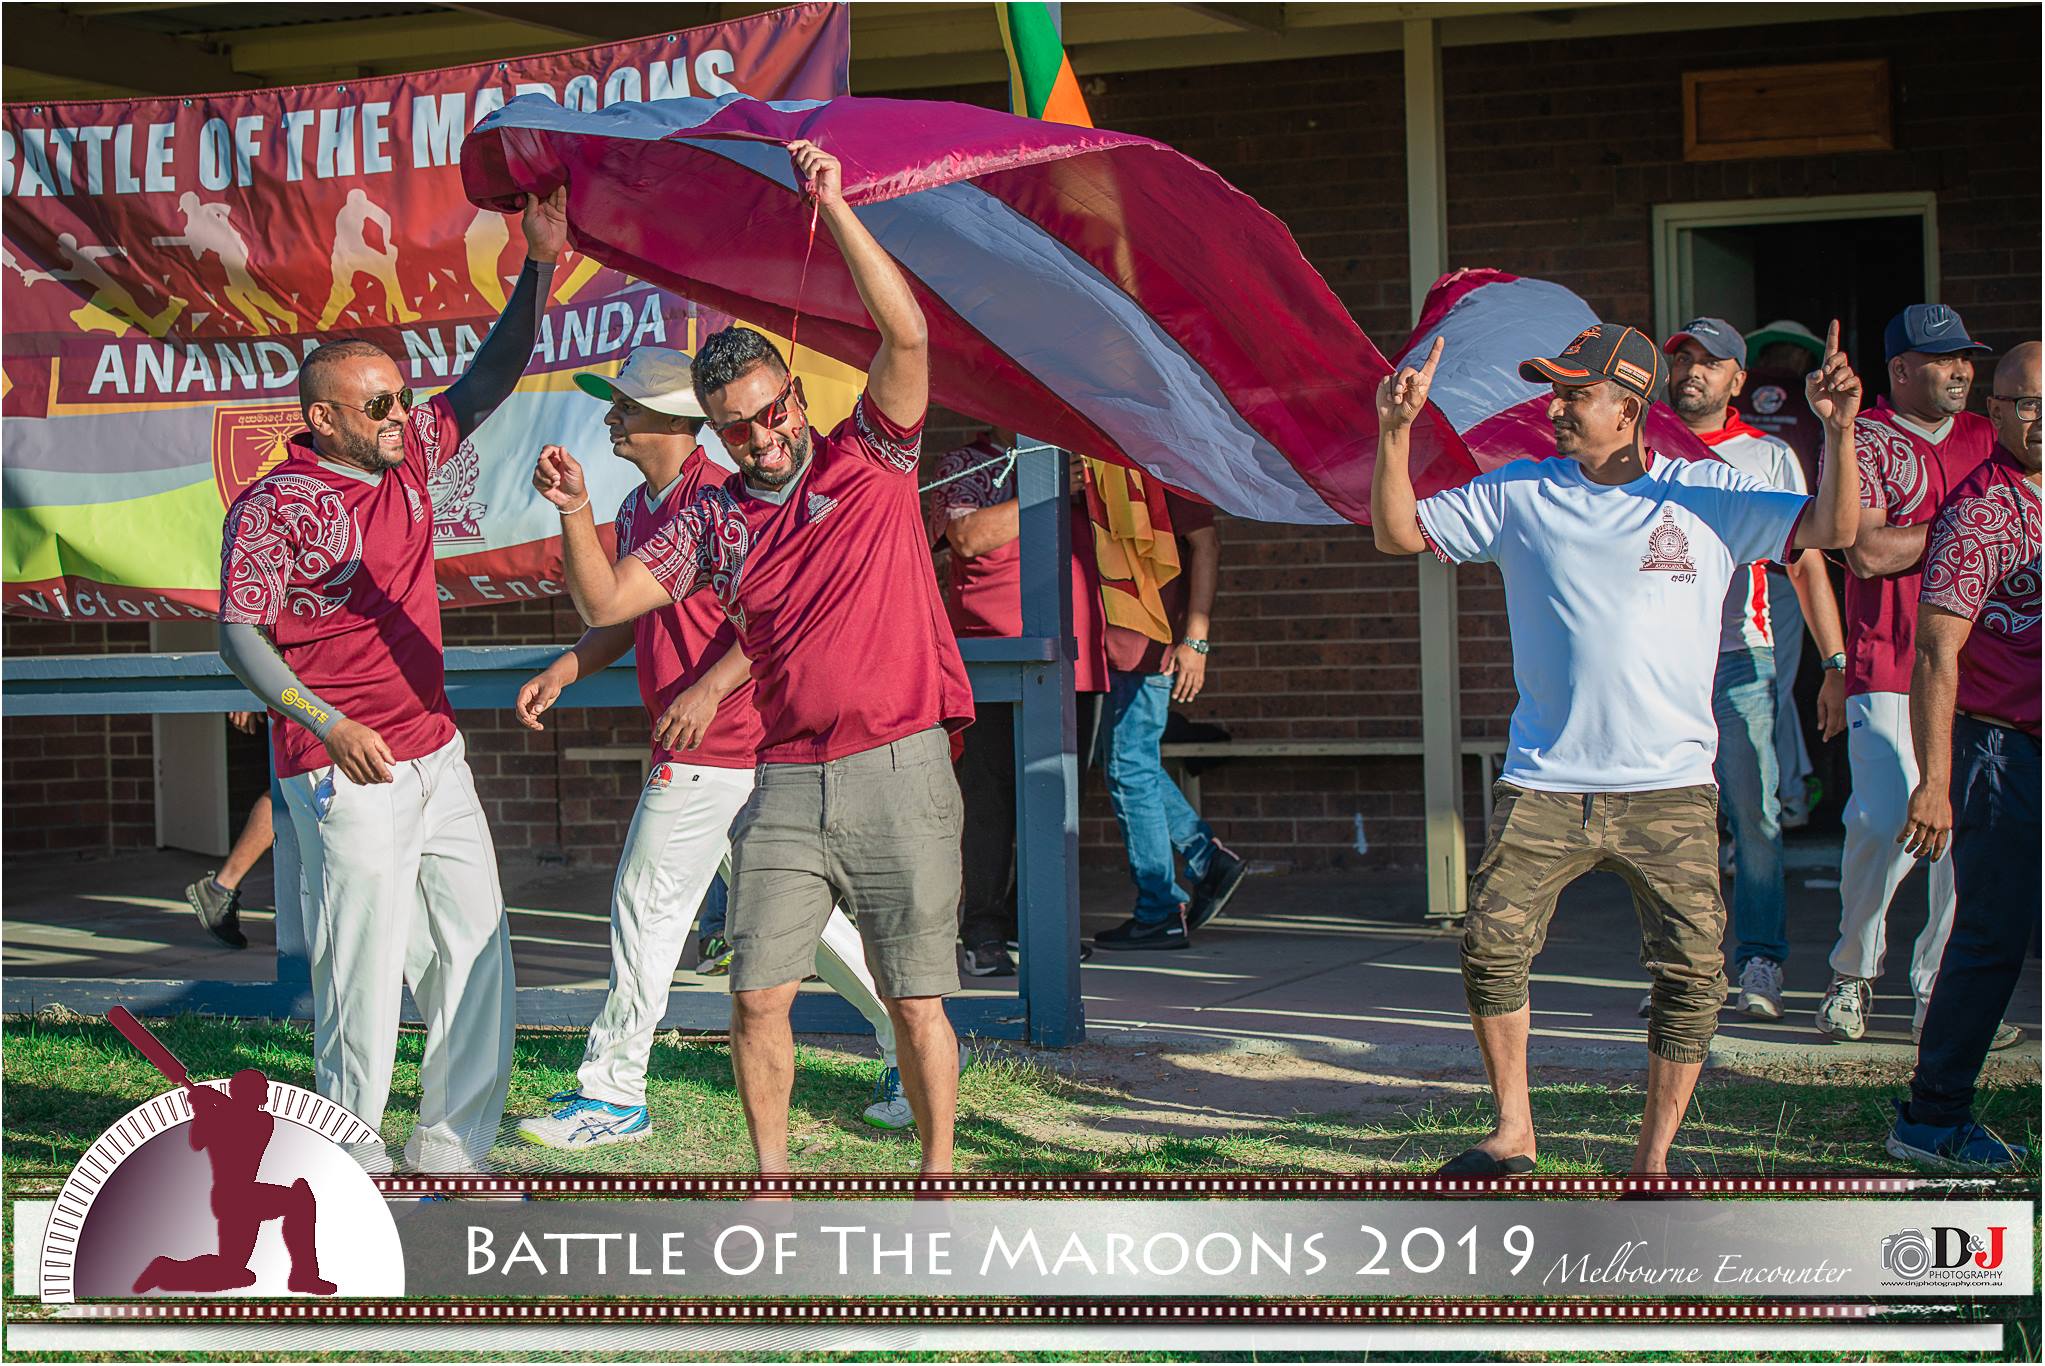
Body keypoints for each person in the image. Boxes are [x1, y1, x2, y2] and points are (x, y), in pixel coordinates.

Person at [538, 142, 968, 1183]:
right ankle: (771, 1183)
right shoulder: (712, 519)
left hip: (900, 762)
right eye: (738, 429)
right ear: (716, 436)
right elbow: (604, 602)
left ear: (798, 404)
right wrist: (578, 512)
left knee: (914, 994)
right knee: (756, 992)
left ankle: (942, 1174)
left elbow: (905, 332)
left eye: (773, 414)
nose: (762, 438)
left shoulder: (873, 459)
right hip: (782, 776)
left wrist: (838, 200)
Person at [1372, 320, 1861, 1175]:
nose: (1555, 406)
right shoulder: (1517, 492)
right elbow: (1398, 533)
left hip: (1670, 785)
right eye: (1553, 390)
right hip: (1545, 782)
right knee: (1490, 945)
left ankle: (1651, 1158)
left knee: (1691, 975)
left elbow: (1830, 529)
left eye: (1574, 392)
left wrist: (1839, 430)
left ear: (1628, 407)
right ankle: (1512, 1133)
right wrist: (1393, 432)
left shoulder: (1705, 494)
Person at [215, 187, 567, 1173]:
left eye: (403, 397)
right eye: (379, 404)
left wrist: (537, 262)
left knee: (475, 954)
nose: (401, 415)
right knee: (359, 980)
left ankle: (451, 1151)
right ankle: (347, 1168)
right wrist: (324, 723)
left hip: (433, 753)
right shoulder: (275, 503)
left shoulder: (410, 454)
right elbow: (238, 636)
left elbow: (491, 375)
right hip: (340, 771)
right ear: (323, 416)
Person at [510, 346, 920, 1143]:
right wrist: (566, 665)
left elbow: (785, 615)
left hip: (726, 743)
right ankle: (910, 1043)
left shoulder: (724, 495)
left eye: (624, 409)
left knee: (645, 908)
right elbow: (619, 616)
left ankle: (611, 1092)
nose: (611, 420)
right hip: (715, 750)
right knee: (823, 934)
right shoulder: (637, 510)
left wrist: (708, 687)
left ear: (675, 422)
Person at [1817, 305, 2016, 1049]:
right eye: (1942, 359)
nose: (1961, 369)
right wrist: (1970, 526)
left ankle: (1938, 993)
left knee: (1964, 835)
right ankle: (1851, 971)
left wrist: (1929, 533)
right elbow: (1864, 552)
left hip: (1981, 669)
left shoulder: (1989, 437)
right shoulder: (1860, 437)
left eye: (1966, 356)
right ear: (1899, 370)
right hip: (1887, 662)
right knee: (1884, 820)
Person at [1661, 318, 1849, 1019]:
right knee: (1667, 822)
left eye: (1709, 363)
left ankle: (1760, 961)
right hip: (1658, 663)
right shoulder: (1639, 450)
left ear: (1738, 380)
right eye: (1680, 359)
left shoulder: (1766, 455)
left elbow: (1804, 560)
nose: (1691, 373)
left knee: (1753, 814)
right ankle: (1682, 973)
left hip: (1742, 655)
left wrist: (1833, 662)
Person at [1889, 341, 2040, 1169]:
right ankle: (1930, 1117)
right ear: (1994, 413)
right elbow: (1936, 653)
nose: (2038, 417)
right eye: (2022, 402)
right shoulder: (1982, 510)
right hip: (2000, 747)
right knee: (1990, 933)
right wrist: (1935, 782)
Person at [925, 426, 1105, 976]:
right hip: (994, 661)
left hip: (1075, 658)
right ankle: (982, 929)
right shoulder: (965, 463)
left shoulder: (1082, 459)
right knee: (990, 802)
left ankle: (1039, 926)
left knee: (1056, 801)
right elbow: (966, 536)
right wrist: (1042, 489)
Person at [1088, 467, 1247, 952]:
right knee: (1131, 763)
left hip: (1146, 638)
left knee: (1129, 766)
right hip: (1110, 639)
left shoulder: (1157, 459)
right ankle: (1205, 859)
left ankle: (1161, 908)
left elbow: (1207, 544)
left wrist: (1195, 641)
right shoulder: (1096, 462)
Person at [131, 1069, 335, 1296]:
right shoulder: (222, 1116)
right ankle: (304, 1276)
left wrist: (211, 1103)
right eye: (261, 1090)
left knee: (235, 1271)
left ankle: (167, 1268)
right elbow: (197, 1141)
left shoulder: (261, 1121)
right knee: (299, 1201)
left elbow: (242, 1122)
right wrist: (202, 1109)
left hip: (240, 1197)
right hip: (236, 1198)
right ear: (249, 1093)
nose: (266, 1094)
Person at [1741, 320, 1832, 826]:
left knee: (1752, 691)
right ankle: (1785, 795)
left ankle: (1778, 794)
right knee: (1768, 689)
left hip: (1738, 573)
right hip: (1787, 565)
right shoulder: (1810, 410)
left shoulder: (1740, 410)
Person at [185, 712, 275, 951]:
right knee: (295, 787)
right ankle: (221, 886)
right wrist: (247, 691)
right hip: (303, 693)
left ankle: (222, 887)